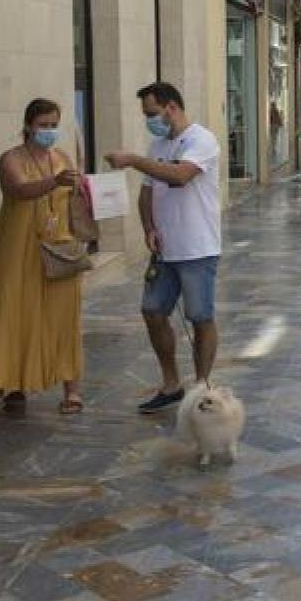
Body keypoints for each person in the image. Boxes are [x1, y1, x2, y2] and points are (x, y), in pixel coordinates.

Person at [104, 82, 222, 414]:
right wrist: (149, 227)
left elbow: (180, 175)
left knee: (200, 317)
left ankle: (201, 387)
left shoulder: (202, 140)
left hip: (198, 247)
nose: (149, 121)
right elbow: (147, 192)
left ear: (171, 107)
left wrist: (132, 159)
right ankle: (171, 383)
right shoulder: (157, 144)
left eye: (152, 114)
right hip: (165, 249)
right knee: (152, 311)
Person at [0, 99, 85, 414]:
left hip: (59, 248)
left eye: (53, 125)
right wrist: (53, 182)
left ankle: (71, 389)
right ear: (28, 125)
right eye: (43, 125)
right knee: (13, 312)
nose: (49, 131)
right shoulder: (11, 159)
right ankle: (13, 384)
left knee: (62, 317)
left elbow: (73, 197)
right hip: (17, 250)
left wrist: (82, 188)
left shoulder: (62, 157)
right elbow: (18, 190)